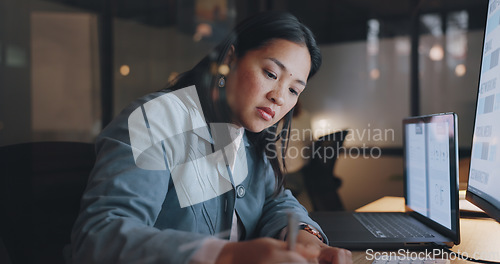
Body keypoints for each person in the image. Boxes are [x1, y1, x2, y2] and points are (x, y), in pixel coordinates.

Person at [69, 11, 352, 264]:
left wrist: (307, 238)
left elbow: (275, 201)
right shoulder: (157, 119)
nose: (278, 96)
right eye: (270, 73)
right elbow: (99, 237)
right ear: (230, 58)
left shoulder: (248, 136)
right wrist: (228, 255)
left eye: (293, 90)